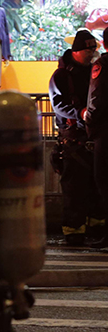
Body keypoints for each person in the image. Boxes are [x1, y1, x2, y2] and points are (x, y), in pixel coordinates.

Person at [50, 28, 104, 246]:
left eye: (94, 50)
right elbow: (59, 105)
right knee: (74, 189)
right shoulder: (61, 76)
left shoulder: (95, 71)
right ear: (77, 51)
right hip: (73, 140)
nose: (92, 55)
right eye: (88, 51)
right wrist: (81, 113)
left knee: (96, 187)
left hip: (94, 138)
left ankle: (97, 228)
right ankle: (73, 233)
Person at [88, 28, 108, 249]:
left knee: (104, 182)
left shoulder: (102, 65)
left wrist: (89, 121)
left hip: (105, 132)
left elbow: (97, 97)